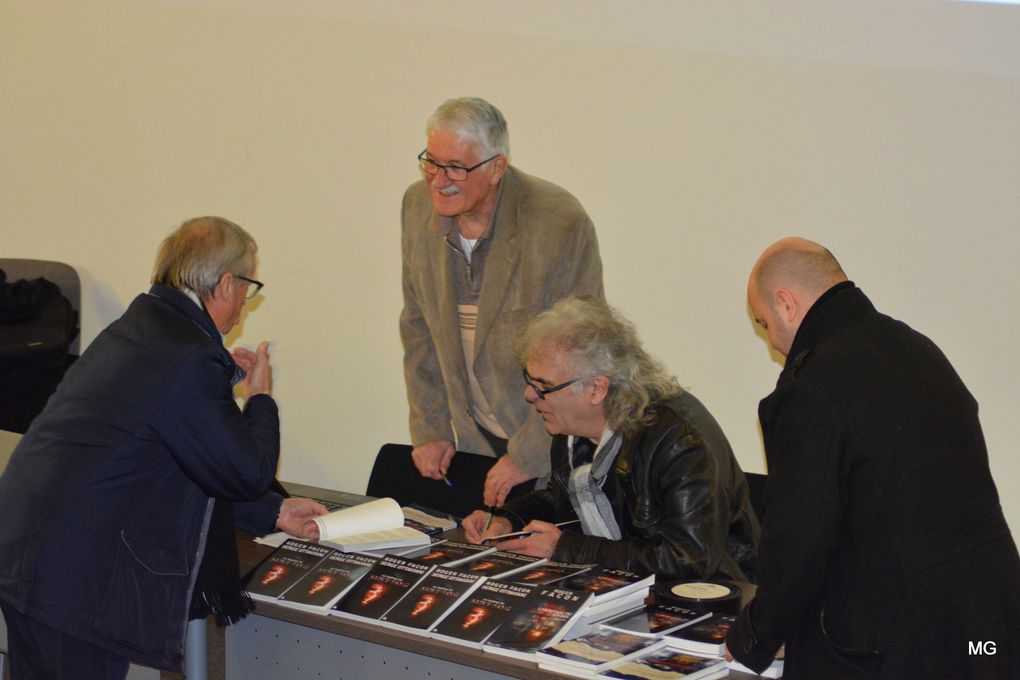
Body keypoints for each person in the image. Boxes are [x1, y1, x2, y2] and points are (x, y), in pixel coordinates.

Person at [0, 217, 327, 680]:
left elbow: (189, 450)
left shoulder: (144, 328)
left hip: (34, 554)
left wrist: (273, 513)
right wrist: (260, 398)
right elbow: (246, 470)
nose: (243, 305)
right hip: (71, 576)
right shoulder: (187, 356)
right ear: (226, 283)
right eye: (248, 288)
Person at [725, 237, 1020, 678]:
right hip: (989, 623)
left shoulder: (809, 388)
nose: (775, 345)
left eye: (766, 324)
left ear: (786, 303)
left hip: (901, 644)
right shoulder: (918, 349)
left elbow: (799, 544)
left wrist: (753, 637)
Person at [463, 297, 759, 581]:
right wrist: (506, 520)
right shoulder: (571, 431)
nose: (530, 395)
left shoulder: (680, 440)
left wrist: (564, 549)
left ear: (596, 389)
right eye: (531, 381)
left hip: (711, 602)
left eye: (544, 386)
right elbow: (562, 497)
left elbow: (687, 560)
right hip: (625, 588)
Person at [400, 96, 604, 507]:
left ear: (497, 167)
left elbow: (580, 353)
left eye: (457, 166)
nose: (440, 180)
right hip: (472, 434)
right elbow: (417, 325)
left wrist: (527, 454)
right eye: (431, 162)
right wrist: (431, 427)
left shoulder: (557, 221)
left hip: (548, 440)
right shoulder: (416, 206)